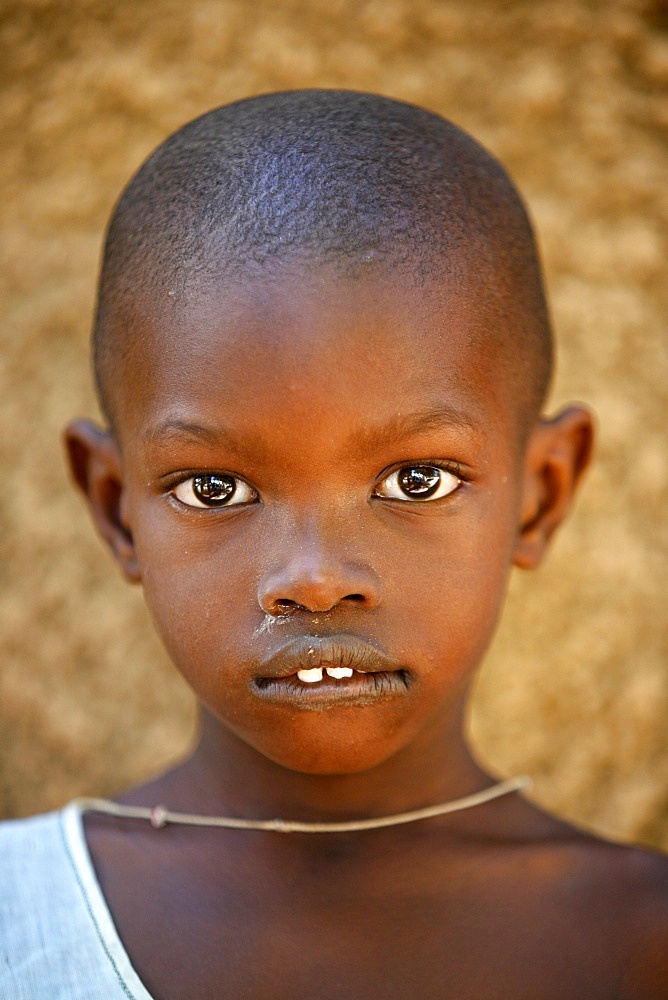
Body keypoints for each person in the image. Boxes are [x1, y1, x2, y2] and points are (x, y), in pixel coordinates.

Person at [1, 89, 666, 1000]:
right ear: (116, 510)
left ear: (541, 496)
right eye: (214, 488)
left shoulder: (640, 942)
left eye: (417, 482)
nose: (312, 578)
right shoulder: (18, 917)